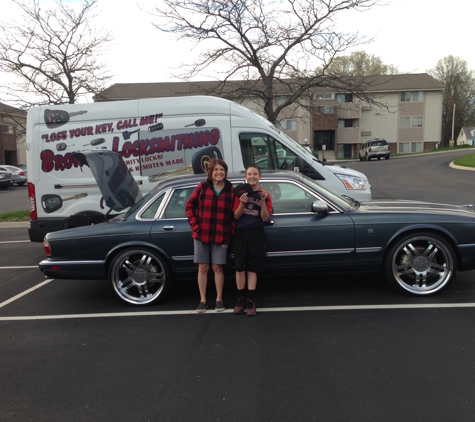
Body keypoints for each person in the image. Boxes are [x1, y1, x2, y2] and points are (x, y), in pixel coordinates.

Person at [185, 158, 235, 313]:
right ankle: (203, 300)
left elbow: (234, 213)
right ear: (210, 172)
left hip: (221, 234)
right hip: (202, 233)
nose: (219, 172)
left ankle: (219, 300)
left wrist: (229, 229)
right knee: (203, 267)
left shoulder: (230, 189)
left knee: (218, 267)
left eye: (222, 170)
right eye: (216, 170)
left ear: (225, 172)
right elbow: (189, 206)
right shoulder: (202, 186)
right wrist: (195, 225)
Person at [232, 166, 272, 316]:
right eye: (249, 174)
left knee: (252, 268)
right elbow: (235, 216)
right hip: (240, 233)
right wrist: (242, 203)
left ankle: (251, 299)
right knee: (240, 267)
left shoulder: (264, 195)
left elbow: (264, 218)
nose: (252, 176)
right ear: (246, 176)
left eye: (255, 174)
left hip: (256, 232)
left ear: (260, 176)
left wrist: (262, 202)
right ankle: (240, 298)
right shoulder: (239, 193)